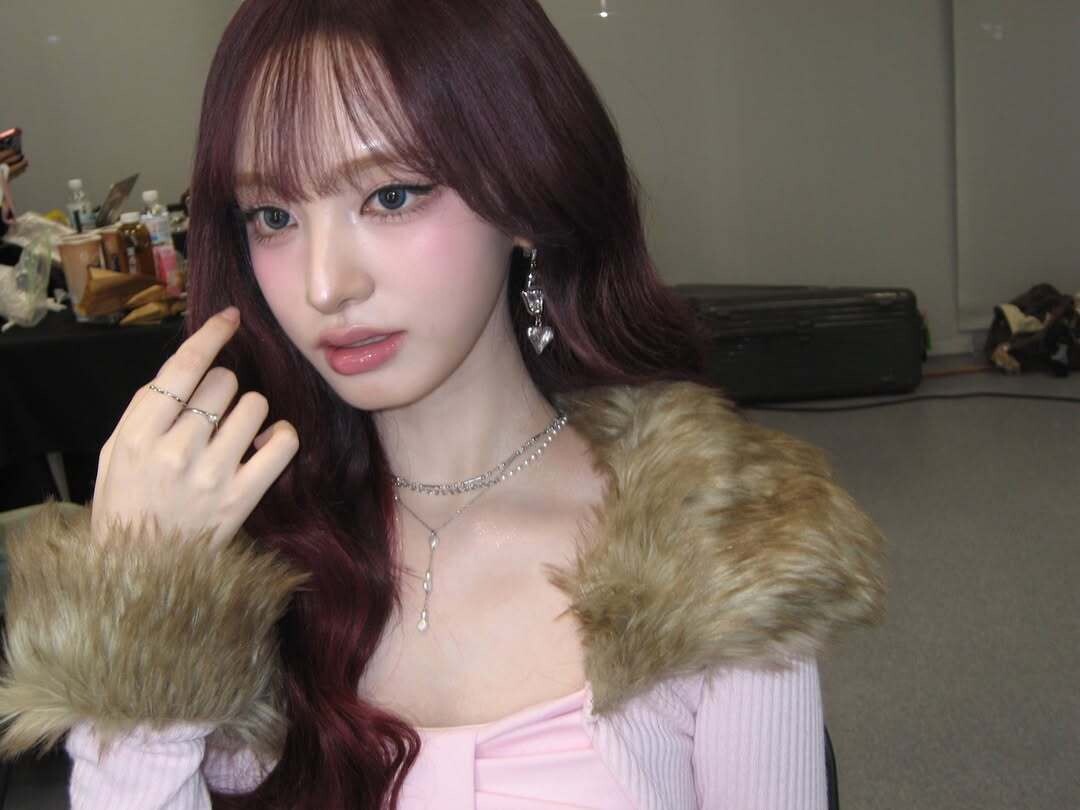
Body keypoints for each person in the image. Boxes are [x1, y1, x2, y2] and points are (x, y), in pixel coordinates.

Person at [0, 1, 886, 808]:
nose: (325, 285)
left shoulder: (713, 538)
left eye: (390, 196)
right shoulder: (233, 559)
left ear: (526, 194)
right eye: (272, 215)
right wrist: (148, 610)